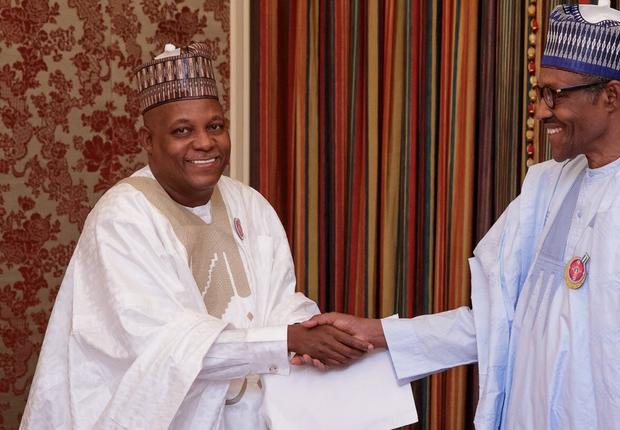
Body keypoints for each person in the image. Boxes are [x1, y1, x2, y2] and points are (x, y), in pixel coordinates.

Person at [300, 3, 620, 429]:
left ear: (611, 94)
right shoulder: (545, 186)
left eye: (554, 94)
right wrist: (378, 332)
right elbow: (497, 321)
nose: (541, 111)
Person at [21, 42, 370, 429]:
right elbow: (164, 347)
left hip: (256, 415)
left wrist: (310, 331)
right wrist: (286, 340)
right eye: (182, 130)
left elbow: (278, 301)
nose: (204, 142)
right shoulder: (123, 218)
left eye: (215, 127)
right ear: (147, 142)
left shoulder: (248, 204)